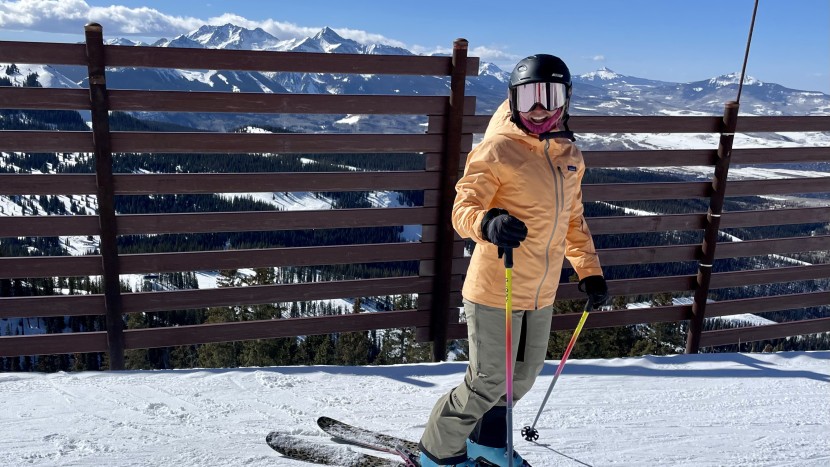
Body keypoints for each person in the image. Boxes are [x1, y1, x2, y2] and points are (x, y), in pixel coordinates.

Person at [418, 54, 609, 467]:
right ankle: (437, 452)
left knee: (519, 380)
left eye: (549, 96)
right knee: (487, 381)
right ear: (513, 100)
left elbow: (573, 220)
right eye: (528, 99)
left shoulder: (570, 154)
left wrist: (589, 271)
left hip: (540, 293)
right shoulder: (498, 148)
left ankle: (486, 443)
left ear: (566, 100)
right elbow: (462, 206)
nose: (538, 108)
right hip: (494, 288)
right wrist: (487, 222)